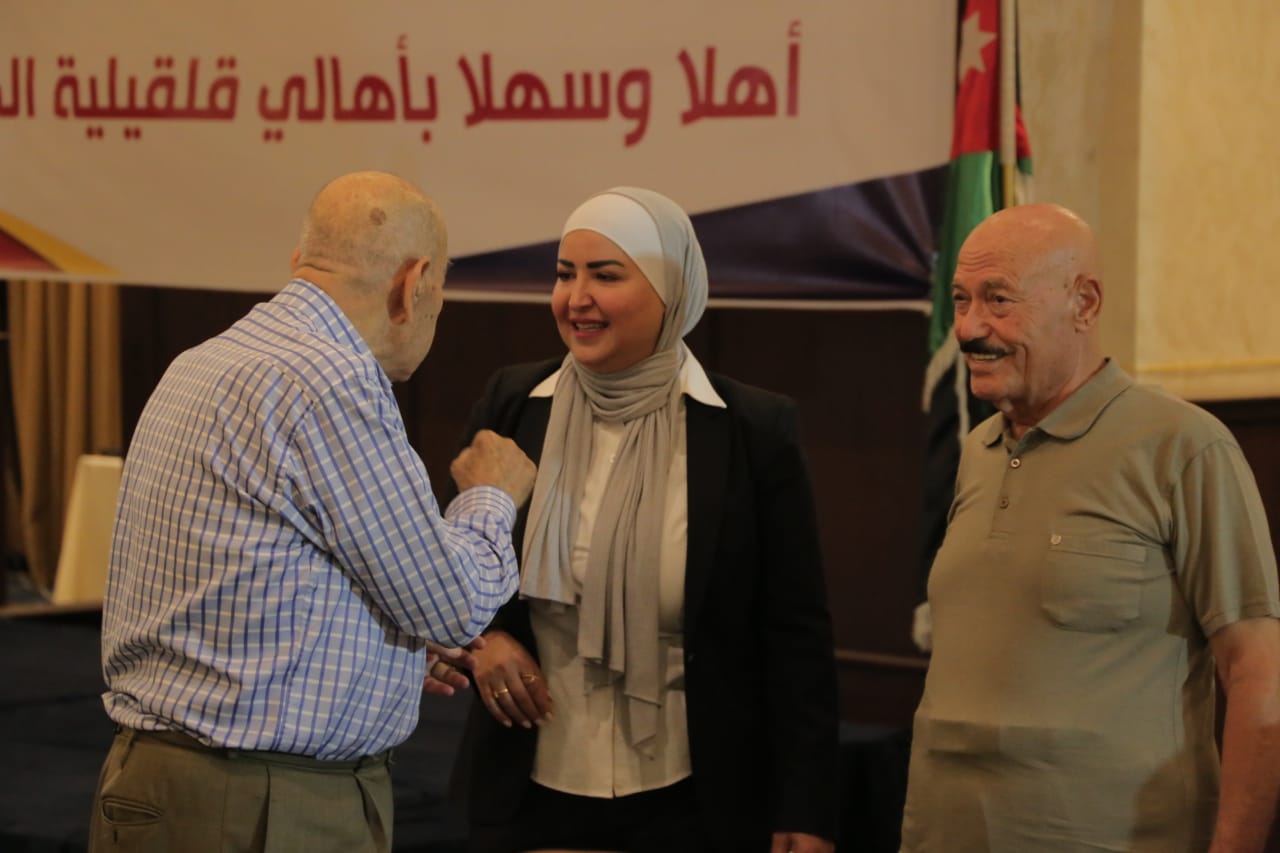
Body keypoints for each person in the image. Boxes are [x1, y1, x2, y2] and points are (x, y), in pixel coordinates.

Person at [88, 171, 537, 853]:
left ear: (302, 260)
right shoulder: (329, 380)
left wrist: (375, 652)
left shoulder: (203, 361)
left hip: (168, 784)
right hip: (263, 805)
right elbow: (452, 606)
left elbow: (239, 579)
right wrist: (490, 495)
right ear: (413, 284)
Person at [445, 187, 839, 853]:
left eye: (605, 275)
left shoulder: (751, 429)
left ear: (670, 290)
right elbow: (443, 567)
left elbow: (795, 630)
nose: (576, 298)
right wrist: (483, 638)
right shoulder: (513, 403)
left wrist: (807, 804)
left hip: (697, 793)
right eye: (565, 274)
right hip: (531, 781)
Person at [900, 203, 1280, 852]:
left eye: (998, 299)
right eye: (961, 299)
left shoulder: (1185, 445)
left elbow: (1257, 674)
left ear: (1084, 302)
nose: (968, 327)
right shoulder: (974, 453)